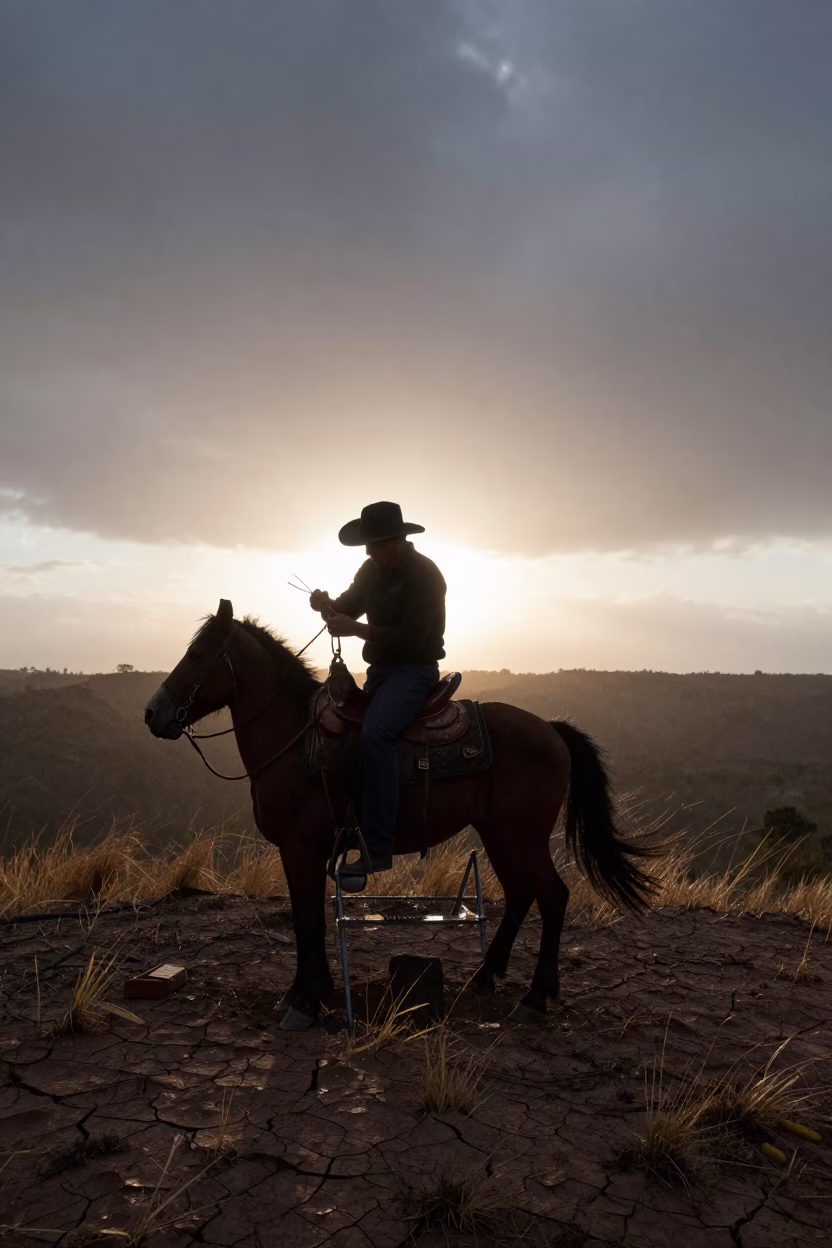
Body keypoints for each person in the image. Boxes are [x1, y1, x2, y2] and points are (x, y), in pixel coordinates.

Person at [309, 501, 446, 880]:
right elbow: (347, 607)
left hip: (414, 672)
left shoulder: (425, 575)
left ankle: (379, 845)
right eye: (367, 545)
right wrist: (325, 606)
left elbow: (412, 636)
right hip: (382, 673)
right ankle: (350, 828)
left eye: (374, 544)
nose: (368, 552)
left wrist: (355, 629)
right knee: (346, 733)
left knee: (377, 732)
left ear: (396, 541)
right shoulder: (372, 569)